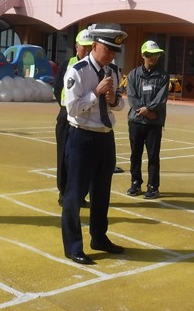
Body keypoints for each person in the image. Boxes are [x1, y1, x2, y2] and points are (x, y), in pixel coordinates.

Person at [61, 23, 127, 265]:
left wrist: (113, 100)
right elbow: (72, 108)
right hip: (82, 137)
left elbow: (119, 105)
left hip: (105, 136)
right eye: (107, 50)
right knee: (75, 194)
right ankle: (73, 246)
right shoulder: (78, 71)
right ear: (95, 45)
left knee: (102, 192)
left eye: (114, 52)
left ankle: (99, 237)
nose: (111, 56)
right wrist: (95, 94)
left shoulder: (114, 71)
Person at [53, 28, 94, 207]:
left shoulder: (94, 67)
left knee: (83, 158)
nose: (87, 50)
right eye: (84, 46)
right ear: (76, 46)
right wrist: (66, 108)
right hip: (66, 115)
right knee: (64, 156)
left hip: (86, 118)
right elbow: (57, 89)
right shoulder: (67, 65)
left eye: (90, 47)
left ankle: (80, 194)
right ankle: (64, 193)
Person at [126, 40, 169, 199]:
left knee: (153, 156)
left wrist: (149, 109)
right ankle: (135, 182)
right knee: (135, 154)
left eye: (156, 55)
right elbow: (131, 97)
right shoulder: (133, 75)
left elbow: (161, 98)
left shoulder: (163, 76)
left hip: (154, 123)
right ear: (143, 55)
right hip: (136, 121)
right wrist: (144, 112)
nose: (154, 58)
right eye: (151, 55)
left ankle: (153, 186)